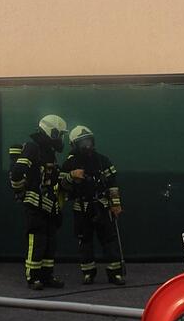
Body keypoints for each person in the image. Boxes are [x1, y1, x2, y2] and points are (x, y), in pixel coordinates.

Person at [60, 125, 125, 285]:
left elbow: (112, 184)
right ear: (74, 145)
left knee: (109, 240)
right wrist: (71, 176)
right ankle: (88, 273)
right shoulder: (69, 164)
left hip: (102, 206)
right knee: (85, 242)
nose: (87, 146)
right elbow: (62, 186)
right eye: (83, 143)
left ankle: (115, 273)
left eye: (89, 141)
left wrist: (115, 204)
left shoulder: (103, 160)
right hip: (81, 208)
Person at [9, 114, 68, 290]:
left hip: (48, 205)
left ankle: (46, 276)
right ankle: (33, 277)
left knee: (50, 242)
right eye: (59, 134)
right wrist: (20, 191)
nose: (61, 139)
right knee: (38, 240)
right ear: (51, 131)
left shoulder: (49, 152)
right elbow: (17, 172)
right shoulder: (33, 147)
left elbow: (52, 179)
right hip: (35, 205)